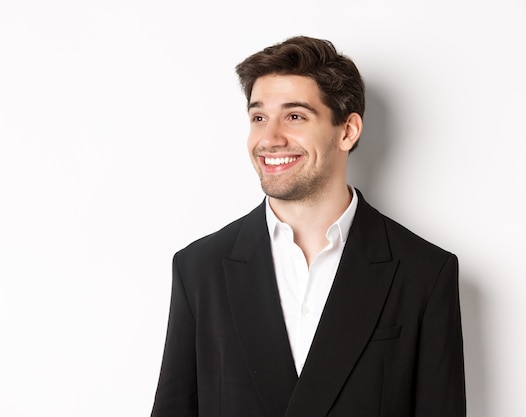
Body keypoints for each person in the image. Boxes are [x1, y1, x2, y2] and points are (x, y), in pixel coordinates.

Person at [150, 35, 466, 417]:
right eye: (258, 117)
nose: (269, 139)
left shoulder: (424, 274)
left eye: (295, 116)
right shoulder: (200, 268)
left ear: (347, 131)